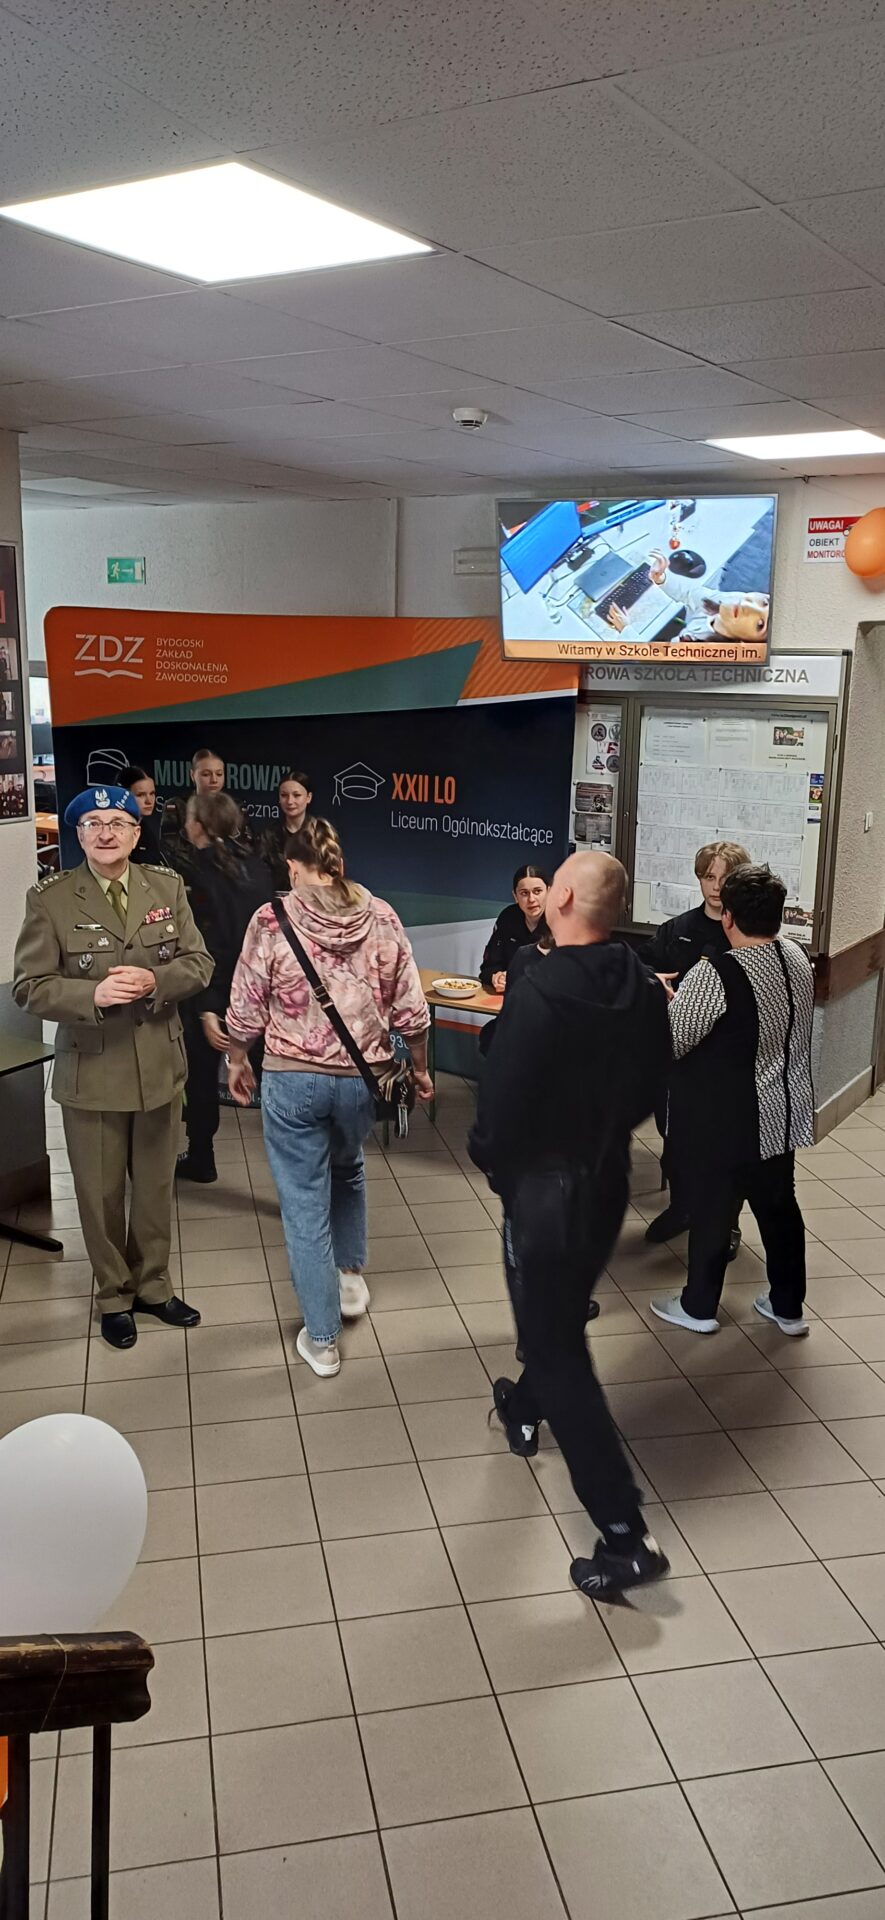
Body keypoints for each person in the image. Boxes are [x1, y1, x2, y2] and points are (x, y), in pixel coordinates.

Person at [469, 850, 672, 1597]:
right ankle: (522, 1409)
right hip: (606, 1182)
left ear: (558, 900)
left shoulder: (539, 990)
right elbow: (654, 1083)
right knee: (555, 1318)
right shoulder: (642, 985)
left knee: (557, 1351)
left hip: (544, 1197)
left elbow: (498, 1109)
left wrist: (502, 1170)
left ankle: (624, 1536)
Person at [224, 817, 432, 1378]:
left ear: (294, 867)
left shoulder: (270, 920)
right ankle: (351, 1279)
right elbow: (411, 1008)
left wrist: (237, 1058)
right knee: (349, 1166)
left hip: (292, 1078)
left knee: (302, 1203)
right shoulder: (382, 916)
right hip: (362, 1081)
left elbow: (246, 1004)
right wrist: (420, 1068)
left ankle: (321, 1341)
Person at [12, 785, 212, 1350]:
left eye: (117, 823)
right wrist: (91, 994)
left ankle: (153, 1286)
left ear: (135, 832)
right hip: (93, 1071)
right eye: (93, 824)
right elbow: (30, 987)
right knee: (100, 1195)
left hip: (158, 1065)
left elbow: (199, 962)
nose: (106, 833)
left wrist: (156, 980)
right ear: (78, 835)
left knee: (154, 1188)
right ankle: (114, 1297)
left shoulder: (165, 886)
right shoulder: (52, 898)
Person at [650, 863, 814, 1338]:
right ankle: (787, 1308)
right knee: (780, 1209)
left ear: (728, 916)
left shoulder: (716, 972)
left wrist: (667, 1001)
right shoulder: (796, 957)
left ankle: (698, 1306)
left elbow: (673, 1041)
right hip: (782, 1112)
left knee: (713, 1211)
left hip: (728, 1119)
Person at [643, 840, 750, 1245]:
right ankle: (682, 1207)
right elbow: (644, 963)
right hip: (677, 1056)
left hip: (725, 1061)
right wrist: (654, 982)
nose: (716, 886)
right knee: (675, 1138)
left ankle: (728, 1223)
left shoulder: (745, 933)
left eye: (725, 878)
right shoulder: (679, 930)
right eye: (709, 877)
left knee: (726, 1147)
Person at [172, 792, 273, 1182]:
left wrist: (207, 1007)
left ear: (198, 826)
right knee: (272, 1081)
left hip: (213, 992)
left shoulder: (195, 875)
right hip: (259, 992)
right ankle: (295, 1173)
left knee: (200, 1077)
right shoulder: (258, 867)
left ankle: (202, 1157)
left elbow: (208, 945)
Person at [607, 550, 769, 647]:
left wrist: (626, 630)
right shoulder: (735, 601)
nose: (748, 606)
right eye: (765, 602)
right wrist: (662, 579)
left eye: (760, 624)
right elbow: (691, 594)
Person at [479, 866, 549, 994]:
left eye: (537, 891)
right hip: (509, 999)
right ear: (515, 896)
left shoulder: (561, 922)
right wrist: (496, 977)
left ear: (549, 891)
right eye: (524, 893)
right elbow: (488, 967)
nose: (531, 899)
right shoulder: (508, 918)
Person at [257, 769, 314, 891]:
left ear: (308, 797)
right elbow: (260, 876)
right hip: (277, 899)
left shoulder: (319, 834)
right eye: (284, 795)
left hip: (314, 899)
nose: (290, 801)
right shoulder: (268, 836)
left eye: (296, 795)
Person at [122, 765, 168, 865]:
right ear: (124, 796)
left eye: (152, 793)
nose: (149, 801)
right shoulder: (114, 832)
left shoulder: (148, 833)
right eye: (141, 795)